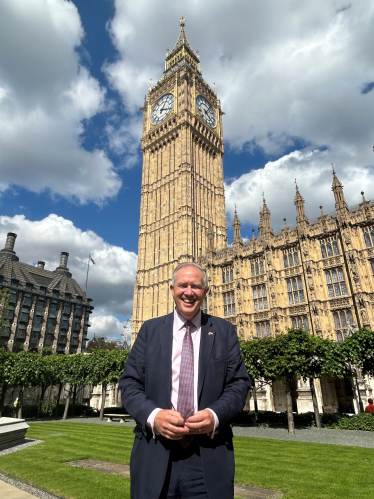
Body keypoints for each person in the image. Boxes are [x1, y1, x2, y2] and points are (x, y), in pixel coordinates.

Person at [119, 262, 250, 499]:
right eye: (182, 285)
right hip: (155, 453)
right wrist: (154, 416)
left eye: (196, 286)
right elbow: (129, 383)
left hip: (208, 456)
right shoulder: (149, 330)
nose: (188, 292)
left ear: (206, 292)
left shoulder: (224, 331)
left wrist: (214, 415)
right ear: (172, 290)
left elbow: (238, 384)